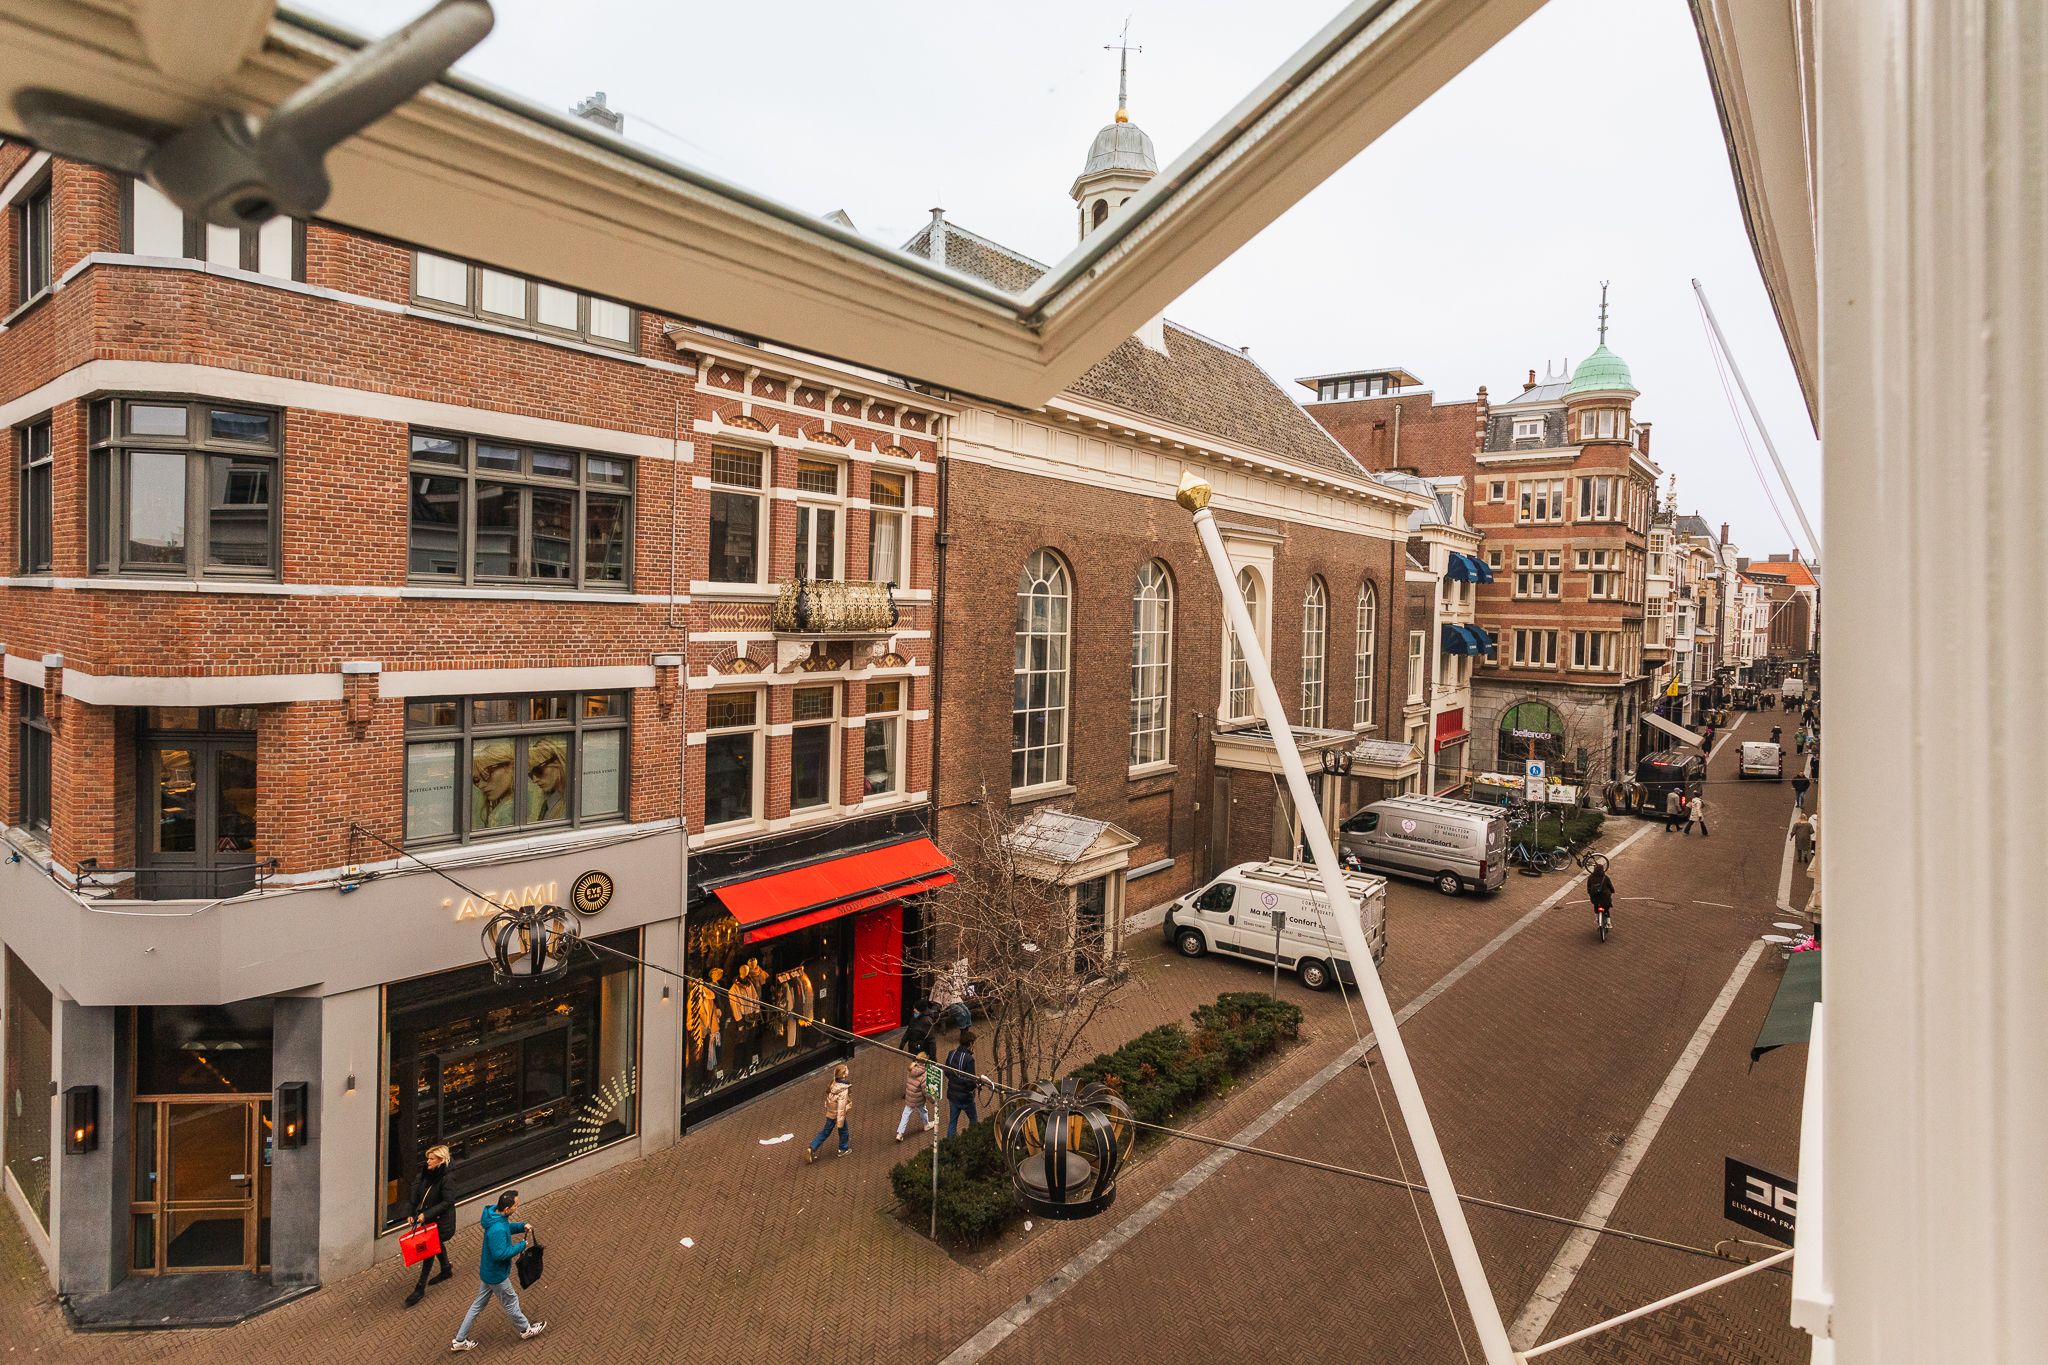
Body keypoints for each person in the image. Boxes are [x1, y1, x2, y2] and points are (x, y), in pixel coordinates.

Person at [449, 1189, 544, 1351]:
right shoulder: (497, 1228)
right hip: (497, 1275)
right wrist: (521, 1246)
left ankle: (460, 1340)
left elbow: (506, 1228)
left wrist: (521, 1226)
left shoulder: (495, 1217)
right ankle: (525, 1329)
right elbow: (500, 1254)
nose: (517, 1207)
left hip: (488, 1272)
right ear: (507, 1209)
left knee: (477, 1305)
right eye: (516, 1205)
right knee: (511, 1302)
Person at [404, 1144, 456, 1307]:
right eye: (428, 1158)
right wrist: (411, 1213)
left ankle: (420, 1288)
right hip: (429, 1220)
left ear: (441, 1161)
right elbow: (416, 1194)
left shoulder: (447, 1178)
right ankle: (446, 1269)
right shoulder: (426, 1174)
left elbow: (448, 1201)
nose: (428, 1161)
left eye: (431, 1159)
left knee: (429, 1250)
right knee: (436, 1245)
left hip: (442, 1222)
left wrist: (426, 1214)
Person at [806, 1063, 853, 1161]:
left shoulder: (834, 1083)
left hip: (830, 1112)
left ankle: (812, 1147)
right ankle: (843, 1149)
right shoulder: (843, 1089)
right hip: (838, 1114)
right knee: (844, 1131)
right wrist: (840, 1122)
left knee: (825, 1132)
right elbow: (841, 1107)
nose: (848, 1071)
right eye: (847, 1070)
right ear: (843, 1074)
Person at [945, 1029, 986, 1137]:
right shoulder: (969, 1059)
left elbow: (947, 1072)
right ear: (970, 1043)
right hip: (965, 1098)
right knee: (973, 1120)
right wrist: (976, 1085)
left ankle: (950, 1143)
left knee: (952, 1123)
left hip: (952, 1095)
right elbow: (970, 1082)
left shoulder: (951, 1053)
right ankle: (973, 1138)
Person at [896, 1053, 936, 1142]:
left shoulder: (912, 1069)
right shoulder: (924, 1075)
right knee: (923, 1111)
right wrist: (932, 1100)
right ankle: (926, 1125)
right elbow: (926, 1091)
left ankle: (900, 1133)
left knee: (905, 1114)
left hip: (910, 1096)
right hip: (918, 1098)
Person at [1586, 861, 1615, 932]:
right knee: (1606, 909)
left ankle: (1597, 919)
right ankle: (1608, 923)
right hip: (1605, 898)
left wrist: (1590, 893)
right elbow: (1610, 886)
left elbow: (1589, 888)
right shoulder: (1605, 878)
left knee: (1596, 907)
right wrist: (1612, 891)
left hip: (1595, 898)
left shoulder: (1590, 877)